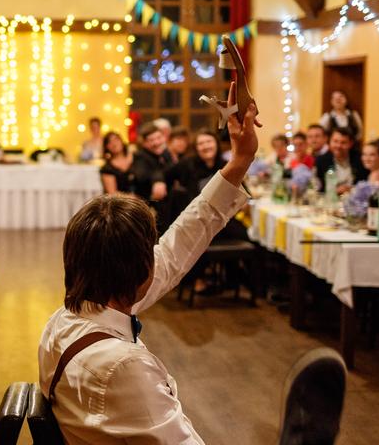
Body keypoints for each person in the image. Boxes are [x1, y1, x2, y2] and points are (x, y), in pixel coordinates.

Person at [38, 92, 258, 444]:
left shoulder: (65, 320)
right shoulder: (122, 366)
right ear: (141, 270)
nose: (158, 258)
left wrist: (240, 161)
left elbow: (176, 247)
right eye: (150, 254)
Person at [164, 128, 249, 293]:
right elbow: (165, 175)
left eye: (209, 142)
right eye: (201, 144)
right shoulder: (187, 164)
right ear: (196, 148)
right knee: (200, 237)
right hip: (199, 221)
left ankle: (242, 281)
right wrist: (160, 185)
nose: (205, 146)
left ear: (216, 144)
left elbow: (242, 190)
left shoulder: (225, 165)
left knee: (249, 237)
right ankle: (199, 279)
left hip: (223, 219)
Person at [132, 123, 175, 233]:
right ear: (144, 143)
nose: (156, 143)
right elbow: (142, 176)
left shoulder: (165, 154)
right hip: (148, 208)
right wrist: (158, 179)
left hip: (167, 205)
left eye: (158, 138)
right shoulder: (140, 156)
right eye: (151, 140)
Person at [315, 128, 368, 194]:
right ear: (330, 141)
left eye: (343, 142)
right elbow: (319, 189)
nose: (338, 146)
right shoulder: (321, 161)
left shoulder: (360, 159)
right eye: (335, 141)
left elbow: (365, 184)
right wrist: (334, 191)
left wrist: (351, 189)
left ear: (350, 144)